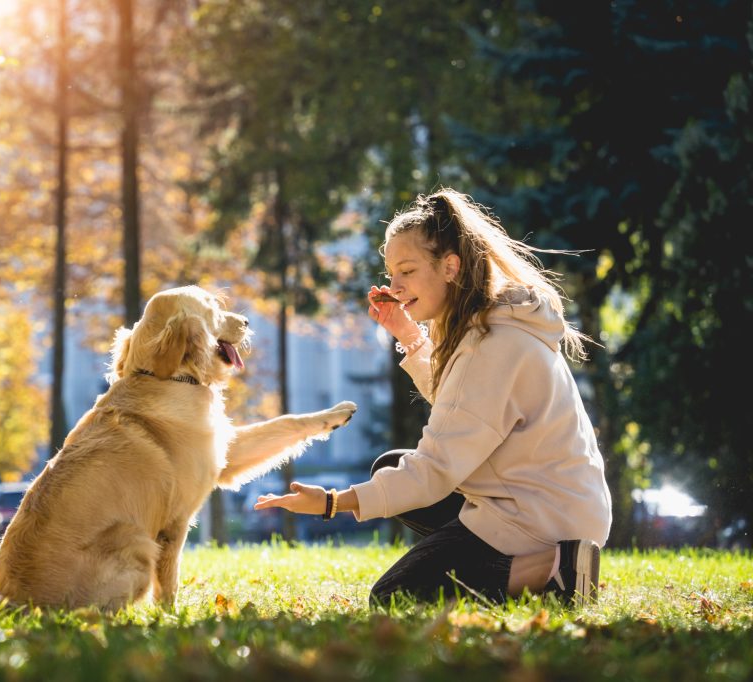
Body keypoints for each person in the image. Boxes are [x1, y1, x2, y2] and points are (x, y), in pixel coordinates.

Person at [254, 188, 612, 607]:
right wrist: (408, 334)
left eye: (406, 271)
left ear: (450, 267)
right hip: (548, 501)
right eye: (391, 274)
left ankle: (558, 569)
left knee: (396, 597)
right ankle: (484, 558)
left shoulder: (493, 346)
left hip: (542, 519)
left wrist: (334, 502)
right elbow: (460, 406)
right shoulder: (491, 326)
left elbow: (436, 469)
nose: (395, 286)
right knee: (389, 468)